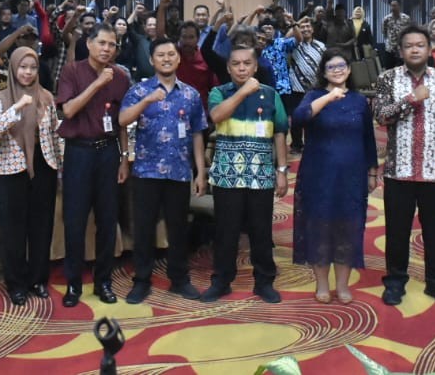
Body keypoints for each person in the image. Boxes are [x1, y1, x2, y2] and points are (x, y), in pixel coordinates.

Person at [373, 26, 435, 307]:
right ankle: (395, 281)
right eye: (409, 45)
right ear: (401, 51)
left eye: (420, 45)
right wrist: (411, 99)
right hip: (398, 170)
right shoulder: (387, 79)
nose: (414, 50)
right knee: (397, 232)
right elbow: (381, 116)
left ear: (428, 49)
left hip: (434, 171)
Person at [120, 38, 208, 304]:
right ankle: (141, 280)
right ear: (151, 60)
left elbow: (197, 133)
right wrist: (147, 100)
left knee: (178, 229)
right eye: (161, 55)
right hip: (146, 172)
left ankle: (179, 279)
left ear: (178, 58)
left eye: (171, 54)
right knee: (144, 229)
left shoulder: (191, 94)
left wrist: (200, 172)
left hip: (179, 172)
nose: (166, 59)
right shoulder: (139, 90)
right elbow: (122, 120)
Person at [202, 44, 289, 304]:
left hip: (260, 174)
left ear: (255, 67)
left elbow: (280, 132)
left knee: (261, 231)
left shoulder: (271, 94)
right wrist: (243, 92)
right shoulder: (219, 92)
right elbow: (217, 116)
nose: (242, 68)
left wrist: (282, 170)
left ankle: (264, 281)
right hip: (227, 174)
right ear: (228, 68)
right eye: (236, 64)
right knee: (226, 231)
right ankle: (221, 281)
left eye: (247, 63)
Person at [292, 49, 377, 304]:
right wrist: (328, 97)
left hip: (352, 174)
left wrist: (372, 171)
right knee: (319, 226)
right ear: (324, 72)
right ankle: (321, 284)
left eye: (342, 65)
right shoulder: (315, 96)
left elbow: (368, 138)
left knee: (347, 227)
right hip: (318, 173)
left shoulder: (359, 101)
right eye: (331, 67)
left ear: (349, 70)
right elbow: (298, 119)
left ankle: (342, 285)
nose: (337, 70)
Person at [56, 24, 131, 307]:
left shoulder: (121, 76)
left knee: (107, 221)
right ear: (89, 44)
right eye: (102, 43)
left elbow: (122, 122)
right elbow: (68, 110)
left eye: (112, 45)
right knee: (75, 221)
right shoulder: (72, 71)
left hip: (108, 152)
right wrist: (98, 84)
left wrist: (124, 157)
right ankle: (73, 284)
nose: (107, 49)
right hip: (79, 152)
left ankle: (104, 282)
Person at [0, 47, 62, 305]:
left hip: (44, 167)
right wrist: (17, 108)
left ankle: (38, 279)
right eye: (23, 67)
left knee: (41, 227)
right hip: (12, 170)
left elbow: (54, 133)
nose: (28, 72)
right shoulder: (1, 98)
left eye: (33, 67)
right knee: (12, 230)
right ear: (13, 68)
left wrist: (60, 168)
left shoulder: (46, 97)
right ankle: (16, 283)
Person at [287, 17, 326, 153]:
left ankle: (313, 143)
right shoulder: (293, 44)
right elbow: (286, 37)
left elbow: (325, 65)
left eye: (308, 26)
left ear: (313, 29)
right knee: (296, 117)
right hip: (297, 86)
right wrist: (294, 24)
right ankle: (296, 145)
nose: (305, 29)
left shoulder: (321, 46)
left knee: (314, 116)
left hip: (315, 87)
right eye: (302, 27)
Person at [380, 0, 411, 70]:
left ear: (399, 6)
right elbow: (384, 32)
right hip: (390, 48)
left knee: (402, 69)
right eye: (391, 6)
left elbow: (409, 31)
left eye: (394, 6)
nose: (392, 8)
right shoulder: (386, 19)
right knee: (389, 70)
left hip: (402, 48)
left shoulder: (406, 18)